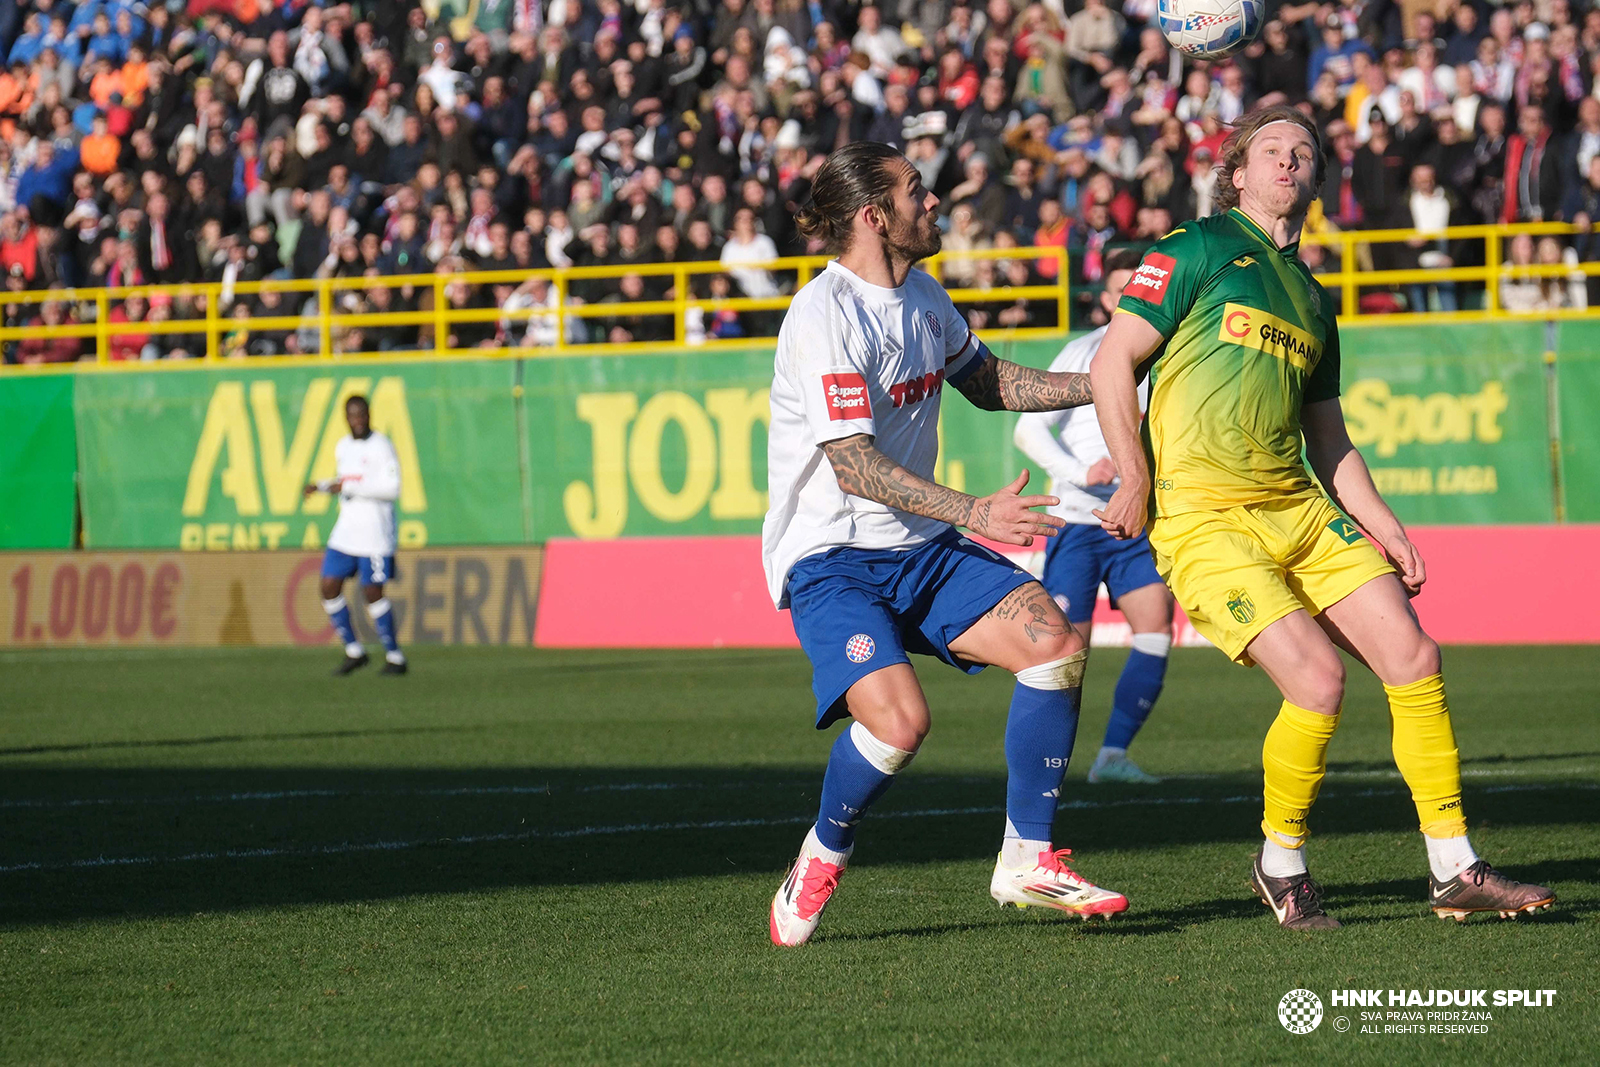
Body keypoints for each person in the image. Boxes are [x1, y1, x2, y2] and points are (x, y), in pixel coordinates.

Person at [1089, 106, 1554, 930]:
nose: (1290, 160)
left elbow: (1329, 437)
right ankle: (1282, 861)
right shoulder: (1193, 248)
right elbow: (1112, 360)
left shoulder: (1309, 293)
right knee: (1318, 679)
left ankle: (1455, 867)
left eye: (1304, 151)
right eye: (1272, 148)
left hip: (1299, 506)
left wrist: (1388, 524)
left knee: (1414, 654)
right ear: (1237, 171)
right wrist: (1132, 476)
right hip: (1206, 518)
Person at [763, 141, 1125, 948]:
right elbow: (853, 465)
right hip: (833, 556)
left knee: (1055, 642)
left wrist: (1107, 379)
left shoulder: (923, 293)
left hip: (919, 543)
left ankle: (1027, 857)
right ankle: (822, 851)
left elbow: (990, 381)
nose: (936, 204)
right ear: (872, 216)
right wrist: (972, 512)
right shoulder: (824, 316)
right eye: (918, 193)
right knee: (900, 724)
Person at [1012, 251, 1175, 785]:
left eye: (1139, 287)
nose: (1130, 296)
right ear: (1107, 300)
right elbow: (1028, 430)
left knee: (1155, 629)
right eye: (1120, 290)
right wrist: (1083, 470)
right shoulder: (1083, 351)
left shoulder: (1172, 351)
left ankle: (1113, 756)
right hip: (1079, 524)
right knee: (1064, 653)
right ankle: (1046, 771)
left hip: (1136, 525)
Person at [302, 395, 408, 676]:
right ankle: (353, 650)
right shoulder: (343, 446)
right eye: (353, 416)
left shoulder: (382, 446)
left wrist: (350, 490)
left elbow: (392, 488)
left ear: (370, 415)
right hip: (347, 531)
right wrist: (321, 487)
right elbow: (345, 481)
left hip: (375, 533)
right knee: (328, 586)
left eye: (362, 415)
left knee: (372, 592)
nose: (358, 420)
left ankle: (395, 656)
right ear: (346, 418)